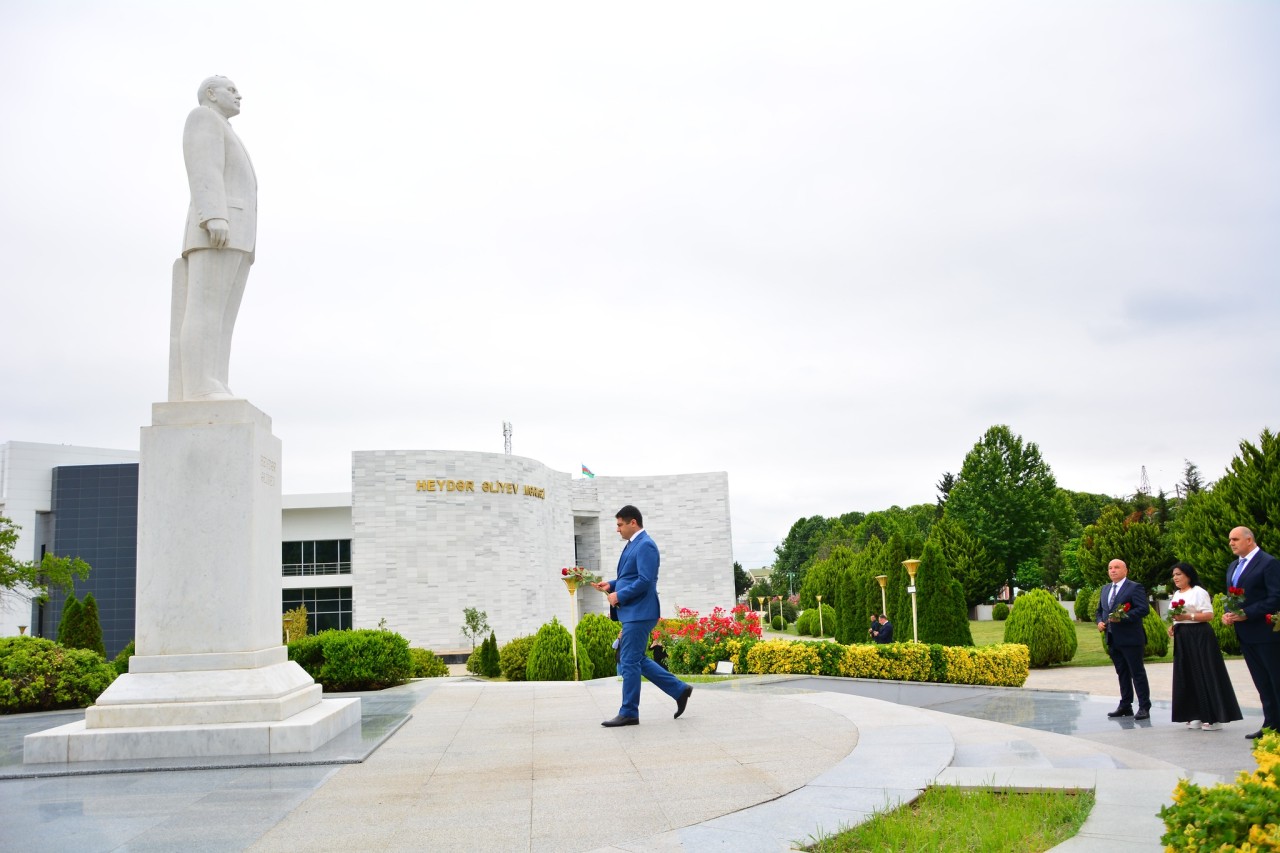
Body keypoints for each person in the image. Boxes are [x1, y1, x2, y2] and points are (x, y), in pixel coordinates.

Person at [171, 75, 258, 401]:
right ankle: (200, 386)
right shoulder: (203, 118)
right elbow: (203, 167)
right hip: (217, 227)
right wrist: (214, 215)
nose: (239, 96)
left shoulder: (225, 127)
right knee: (205, 309)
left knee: (222, 318)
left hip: (238, 233)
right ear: (211, 93)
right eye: (232, 90)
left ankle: (215, 381)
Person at [592, 505, 692, 727]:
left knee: (628, 660)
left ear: (633, 523)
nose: (617, 529)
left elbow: (645, 580)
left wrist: (618, 596)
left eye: (620, 525)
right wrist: (612, 584)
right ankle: (679, 689)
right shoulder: (632, 545)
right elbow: (630, 577)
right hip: (635, 612)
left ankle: (629, 712)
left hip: (640, 612)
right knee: (635, 658)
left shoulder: (646, 545)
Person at [1166, 561, 1242, 731]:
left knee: (1204, 671)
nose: (1175, 578)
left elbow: (1208, 615)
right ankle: (1194, 714)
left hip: (1199, 635)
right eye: (1173, 575)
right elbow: (1176, 616)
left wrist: (1187, 616)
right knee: (1187, 673)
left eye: (1178, 574)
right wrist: (1173, 625)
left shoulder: (1198, 592)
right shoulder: (1177, 594)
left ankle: (1213, 716)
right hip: (1183, 636)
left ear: (1188, 575)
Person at [1221, 527, 1280, 739]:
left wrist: (1248, 613)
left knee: (1275, 679)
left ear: (1249, 540)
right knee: (1261, 681)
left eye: (1235, 539)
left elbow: (1275, 597)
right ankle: (1271, 723)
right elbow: (1232, 597)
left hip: (1266, 633)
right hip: (1245, 634)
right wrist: (1228, 613)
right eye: (1230, 540)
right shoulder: (1233, 566)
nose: (1231, 543)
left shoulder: (1268, 563)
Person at [1095, 558, 1152, 720]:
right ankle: (1125, 705)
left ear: (1125, 570)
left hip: (1131, 638)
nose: (1113, 570)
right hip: (1112, 638)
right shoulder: (1105, 589)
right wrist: (1099, 621)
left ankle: (1144, 706)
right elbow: (1100, 610)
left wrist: (1123, 617)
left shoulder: (1134, 587)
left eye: (1117, 567)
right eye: (1110, 568)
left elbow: (1143, 609)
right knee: (1122, 673)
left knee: (1137, 673)